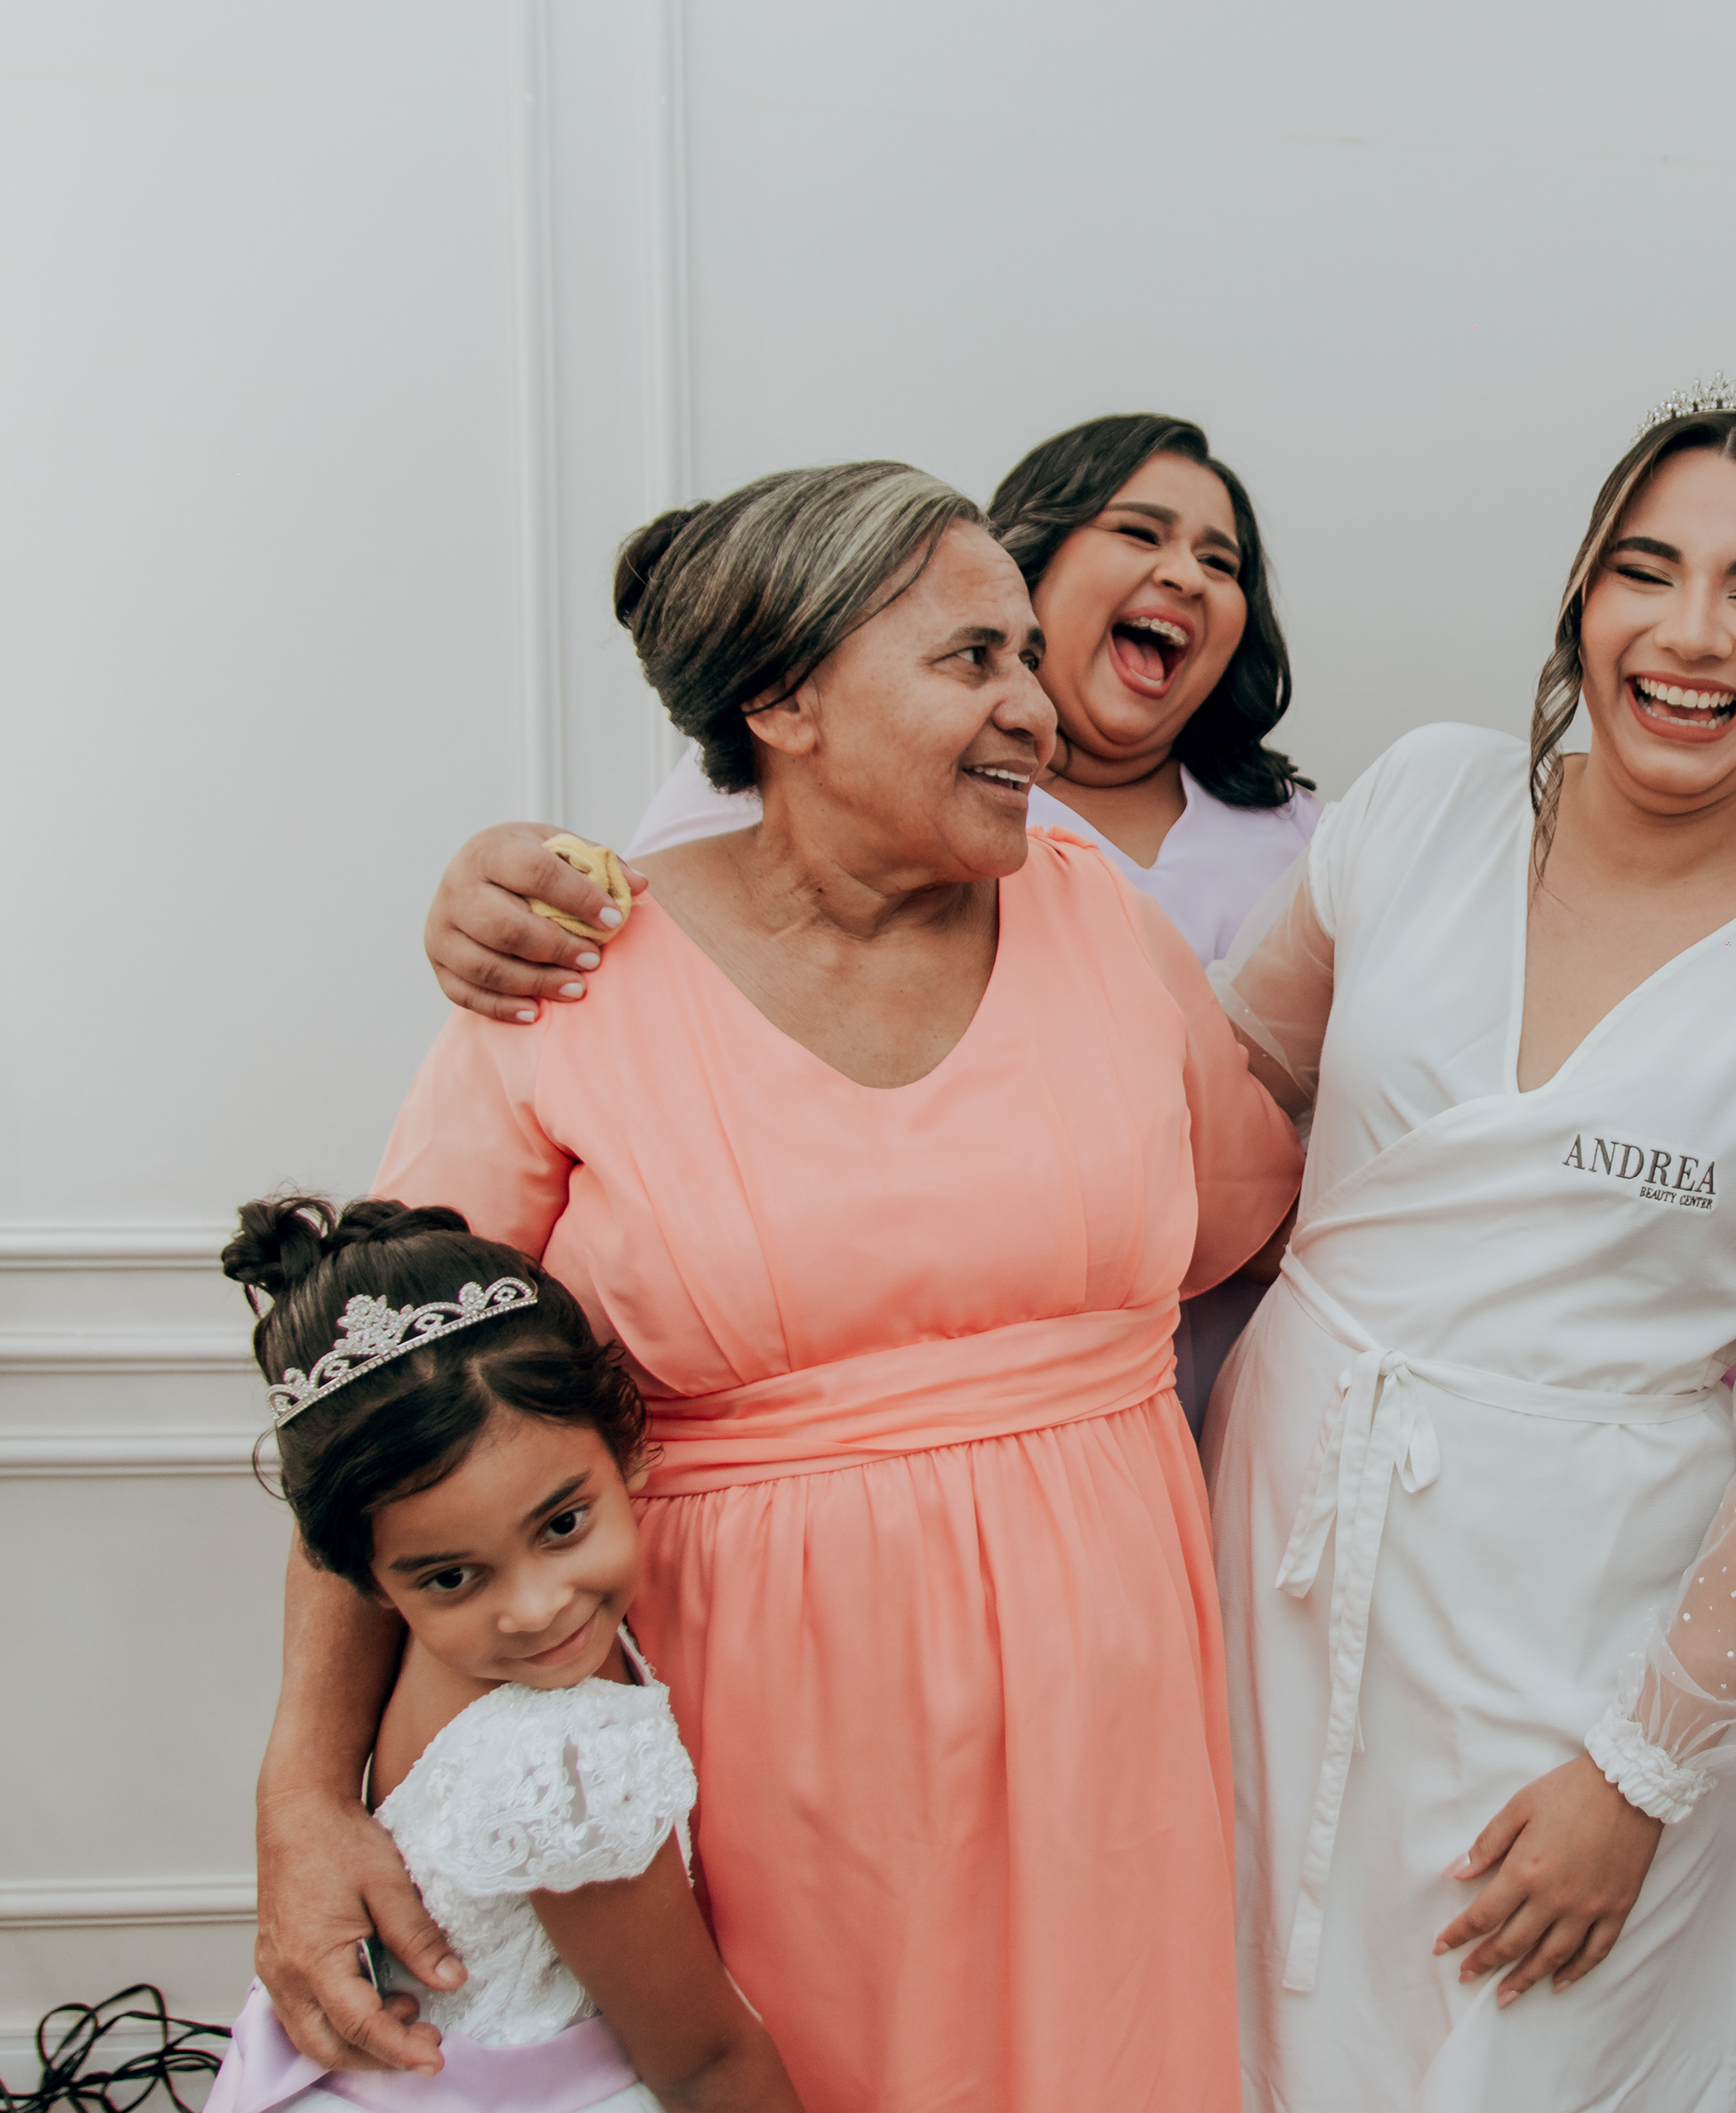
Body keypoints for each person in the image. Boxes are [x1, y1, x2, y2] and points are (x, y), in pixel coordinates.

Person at [250, 463, 1303, 2110]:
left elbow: (1250, 1213)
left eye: (1028, 657)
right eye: (972, 659)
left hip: (1111, 1713)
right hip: (759, 1738)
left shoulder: (1103, 919)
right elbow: (385, 1399)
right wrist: (303, 1796)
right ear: (783, 698)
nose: (1035, 708)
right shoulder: (572, 966)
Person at [1200, 378, 1736, 2111]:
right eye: (1648, 570)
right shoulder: (1425, 801)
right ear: (1581, 597)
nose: (1692, 633)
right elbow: (1215, 1109)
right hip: (1289, 1562)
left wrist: (1641, 1771)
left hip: (1583, 1636)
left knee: (1525, 2057)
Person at [431, 414, 1319, 1430]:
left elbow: (1266, 1207)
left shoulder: (1242, 859)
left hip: (1197, 1441)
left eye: (1222, 560)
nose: (1186, 574)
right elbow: (424, 1350)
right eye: (975, 655)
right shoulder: (629, 913)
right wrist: (482, 889)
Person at [208, 1194, 801, 2113]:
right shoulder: (564, 1755)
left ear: (625, 1447)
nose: (535, 1610)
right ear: (368, 1583)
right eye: (454, 1577)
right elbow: (703, 2064)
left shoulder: (442, 1659)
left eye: (562, 1525)